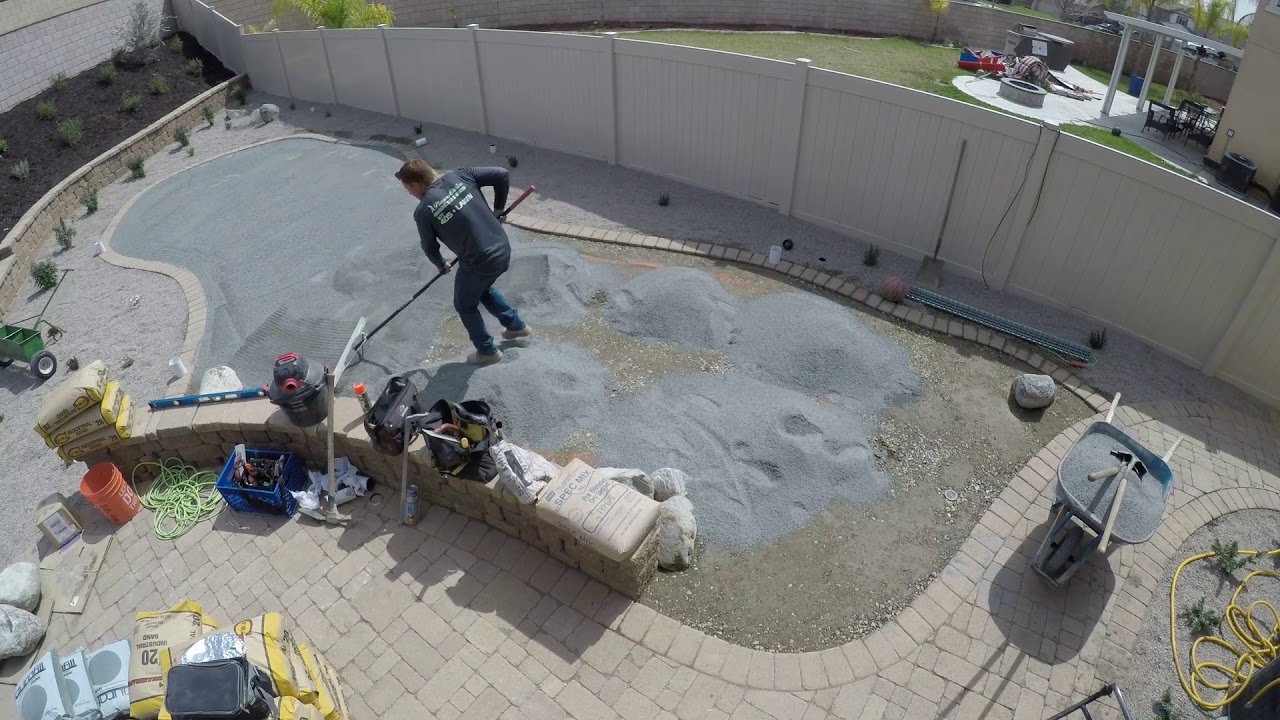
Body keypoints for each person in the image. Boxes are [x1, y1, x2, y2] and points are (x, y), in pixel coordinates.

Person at [395, 159, 531, 365]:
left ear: (415, 185)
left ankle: (487, 351)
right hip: (502, 247)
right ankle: (516, 326)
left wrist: (440, 264)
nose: (410, 194)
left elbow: (429, 247)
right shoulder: (461, 175)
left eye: (408, 190)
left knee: (464, 304)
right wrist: (498, 209)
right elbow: (501, 174)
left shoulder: (424, 210)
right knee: (480, 288)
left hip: (480, 260)